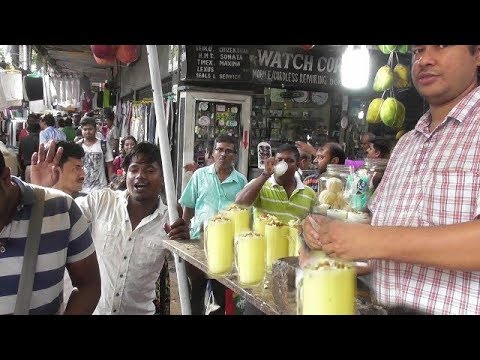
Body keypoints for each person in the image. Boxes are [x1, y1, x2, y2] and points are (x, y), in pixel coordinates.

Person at [302, 45, 480, 315]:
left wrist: (369, 240)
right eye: (418, 50)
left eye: (441, 45)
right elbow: (386, 236)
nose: (424, 60)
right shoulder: (407, 144)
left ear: (477, 53)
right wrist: (330, 239)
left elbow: (378, 238)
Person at [31, 141, 189, 315]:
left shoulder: (170, 221)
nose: (140, 176)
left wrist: (185, 245)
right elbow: (60, 219)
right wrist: (42, 190)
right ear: (126, 174)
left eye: (150, 170)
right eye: (134, 169)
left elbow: (190, 276)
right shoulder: (102, 201)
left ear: (163, 177)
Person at [0, 149, 101, 314]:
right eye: (76, 168)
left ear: (5, 177)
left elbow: (89, 284)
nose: (81, 173)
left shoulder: (63, 209)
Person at [179, 135, 247, 315]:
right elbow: (189, 207)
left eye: (228, 151)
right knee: (196, 293)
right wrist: (183, 239)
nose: (223, 154)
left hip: (226, 247)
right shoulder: (200, 175)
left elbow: (246, 215)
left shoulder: (241, 181)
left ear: (235, 155)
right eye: (219, 150)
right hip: (198, 243)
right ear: (212, 153)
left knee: (219, 296)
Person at [236, 143, 317, 224]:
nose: (283, 164)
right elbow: (240, 203)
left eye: (289, 161)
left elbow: (316, 220)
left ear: (297, 165)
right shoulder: (260, 185)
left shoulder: (309, 194)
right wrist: (265, 174)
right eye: (279, 160)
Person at [77, 116, 114, 192]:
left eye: (90, 129)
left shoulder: (103, 144)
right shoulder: (78, 146)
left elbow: (110, 166)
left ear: (95, 129)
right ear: (81, 130)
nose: (88, 132)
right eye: (85, 129)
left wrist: (111, 184)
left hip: (101, 188)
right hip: (82, 190)